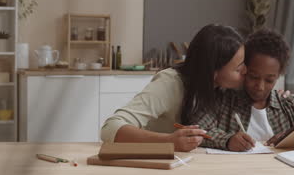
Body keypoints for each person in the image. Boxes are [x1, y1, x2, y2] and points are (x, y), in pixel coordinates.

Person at [193, 29, 294, 151]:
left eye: (269, 80)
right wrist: (227, 140)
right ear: (244, 68)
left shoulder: (288, 105)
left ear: (279, 76)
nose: (260, 87)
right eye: (253, 77)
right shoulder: (224, 99)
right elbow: (198, 130)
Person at [100, 24, 247, 152]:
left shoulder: (221, 88)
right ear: (214, 72)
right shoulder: (170, 83)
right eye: (238, 69)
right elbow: (111, 128)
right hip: (154, 166)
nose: (246, 71)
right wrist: (169, 140)